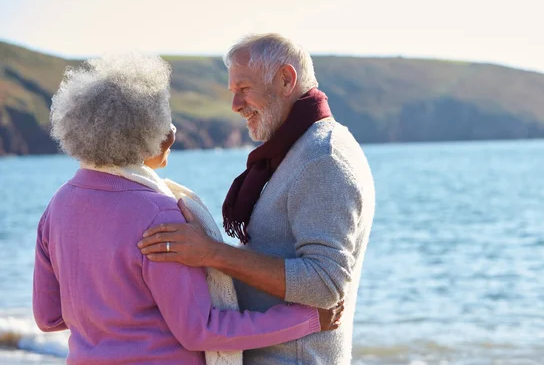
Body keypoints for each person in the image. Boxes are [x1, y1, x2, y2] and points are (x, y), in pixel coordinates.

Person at [32, 53, 342, 365]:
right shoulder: (160, 215)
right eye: (163, 117)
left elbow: (47, 317)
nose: (173, 130)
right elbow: (202, 330)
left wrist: (107, 314)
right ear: (144, 128)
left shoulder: (56, 207)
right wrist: (310, 318)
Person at [138, 33, 376, 364]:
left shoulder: (324, 158)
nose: (235, 105)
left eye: (244, 89)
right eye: (233, 92)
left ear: (285, 79)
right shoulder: (296, 151)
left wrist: (211, 253)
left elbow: (326, 284)